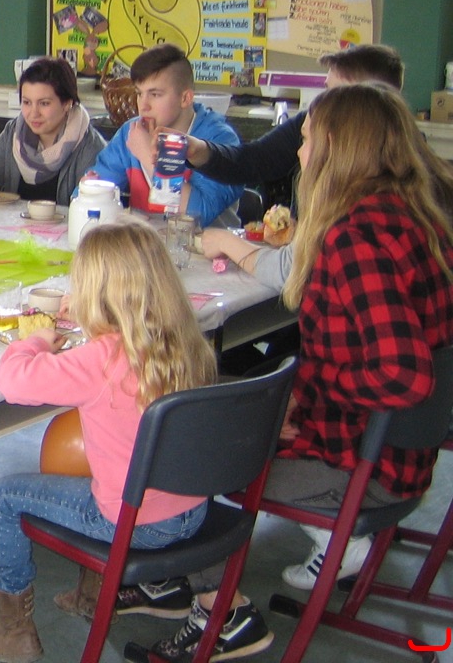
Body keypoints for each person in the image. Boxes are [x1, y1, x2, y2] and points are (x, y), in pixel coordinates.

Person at [139, 83, 453, 662]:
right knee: (208, 409)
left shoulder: (355, 240)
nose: (299, 153)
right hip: (401, 453)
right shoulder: (411, 216)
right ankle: (179, 576)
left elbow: (403, 376)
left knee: (187, 445)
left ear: (337, 146)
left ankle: (219, 613)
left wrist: (305, 403)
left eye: (306, 140)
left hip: (363, 464)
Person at [0, 217, 217, 663]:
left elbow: (13, 380)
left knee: (6, 495)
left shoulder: (100, 360)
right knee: (101, 465)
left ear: (98, 295)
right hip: (192, 510)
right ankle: (92, 592)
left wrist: (36, 340)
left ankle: (11, 630)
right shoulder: (185, 343)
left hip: (135, 522)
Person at [192, 44, 406, 289]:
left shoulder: (355, 222)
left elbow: (290, 271)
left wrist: (227, 243)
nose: (299, 151)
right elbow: (254, 160)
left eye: (333, 94)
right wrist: (196, 150)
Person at [86, 44, 243, 226]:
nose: (143, 105)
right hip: (146, 242)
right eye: (139, 93)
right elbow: (91, 197)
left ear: (185, 98)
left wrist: (148, 156)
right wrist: (90, 189)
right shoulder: (131, 132)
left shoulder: (220, 140)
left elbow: (198, 214)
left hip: (206, 243)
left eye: (155, 94)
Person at [0, 57, 106, 204]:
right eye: (27, 102)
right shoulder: (14, 133)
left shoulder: (90, 146)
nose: (33, 113)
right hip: (13, 220)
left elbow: (91, 208)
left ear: (67, 104)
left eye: (44, 103)